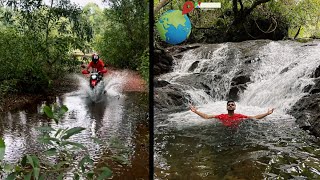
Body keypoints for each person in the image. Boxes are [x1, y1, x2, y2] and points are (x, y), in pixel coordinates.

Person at [190, 100, 274, 127]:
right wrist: (196, 111)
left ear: (235, 107)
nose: (230, 106)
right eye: (229, 105)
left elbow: (255, 117)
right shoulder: (221, 116)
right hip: (224, 131)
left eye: (232, 105)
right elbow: (207, 117)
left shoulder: (240, 116)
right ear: (226, 107)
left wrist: (267, 113)